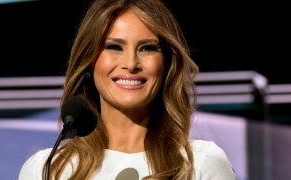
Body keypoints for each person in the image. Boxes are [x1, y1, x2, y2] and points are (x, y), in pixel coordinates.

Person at [19, 0, 237, 179]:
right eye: (114, 47)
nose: (131, 63)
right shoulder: (46, 170)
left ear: (167, 65)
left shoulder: (201, 164)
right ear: (90, 61)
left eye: (147, 48)